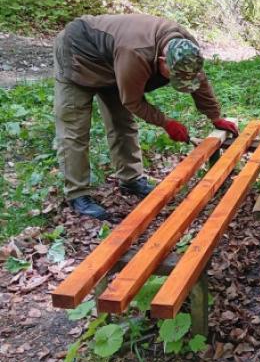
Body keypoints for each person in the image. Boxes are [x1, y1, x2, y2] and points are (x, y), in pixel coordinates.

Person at [53, 14, 239, 221]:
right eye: (174, 77)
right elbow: (132, 101)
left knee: (122, 123)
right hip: (77, 54)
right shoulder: (135, 54)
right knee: (75, 129)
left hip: (112, 60)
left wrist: (215, 117)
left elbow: (199, 81)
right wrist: (166, 123)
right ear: (162, 61)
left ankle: (130, 179)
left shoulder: (186, 48)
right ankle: (78, 195)